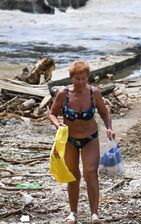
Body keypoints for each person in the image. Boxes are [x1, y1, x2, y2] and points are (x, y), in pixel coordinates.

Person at [49, 60, 115, 224]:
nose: (81, 82)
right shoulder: (63, 93)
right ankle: (73, 213)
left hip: (90, 138)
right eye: (77, 79)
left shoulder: (94, 93)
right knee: (73, 176)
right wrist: (57, 124)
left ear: (88, 78)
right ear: (71, 78)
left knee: (90, 173)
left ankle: (94, 214)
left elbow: (105, 113)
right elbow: (51, 113)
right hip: (69, 139)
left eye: (84, 78)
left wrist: (109, 128)